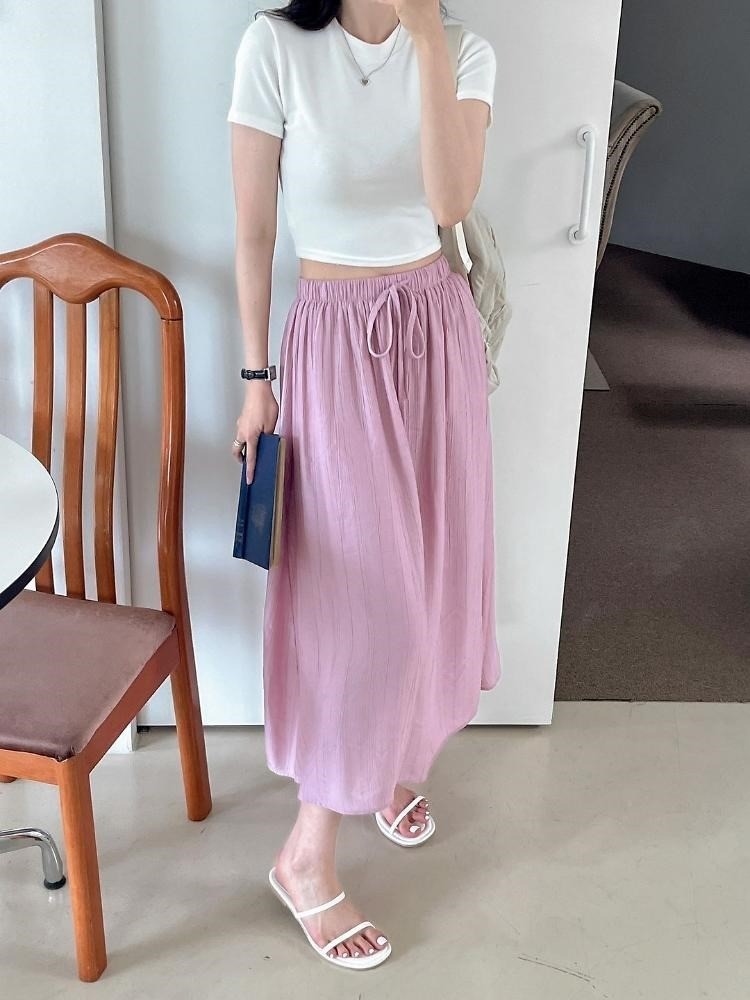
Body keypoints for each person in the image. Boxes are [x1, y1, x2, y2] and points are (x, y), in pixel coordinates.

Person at [227, 0, 501, 970]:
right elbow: (254, 230)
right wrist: (256, 381)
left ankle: (390, 762)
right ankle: (306, 856)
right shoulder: (275, 46)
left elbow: (450, 202)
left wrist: (426, 38)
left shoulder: (464, 51)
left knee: (430, 577)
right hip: (335, 342)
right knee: (359, 602)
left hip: (434, 328)